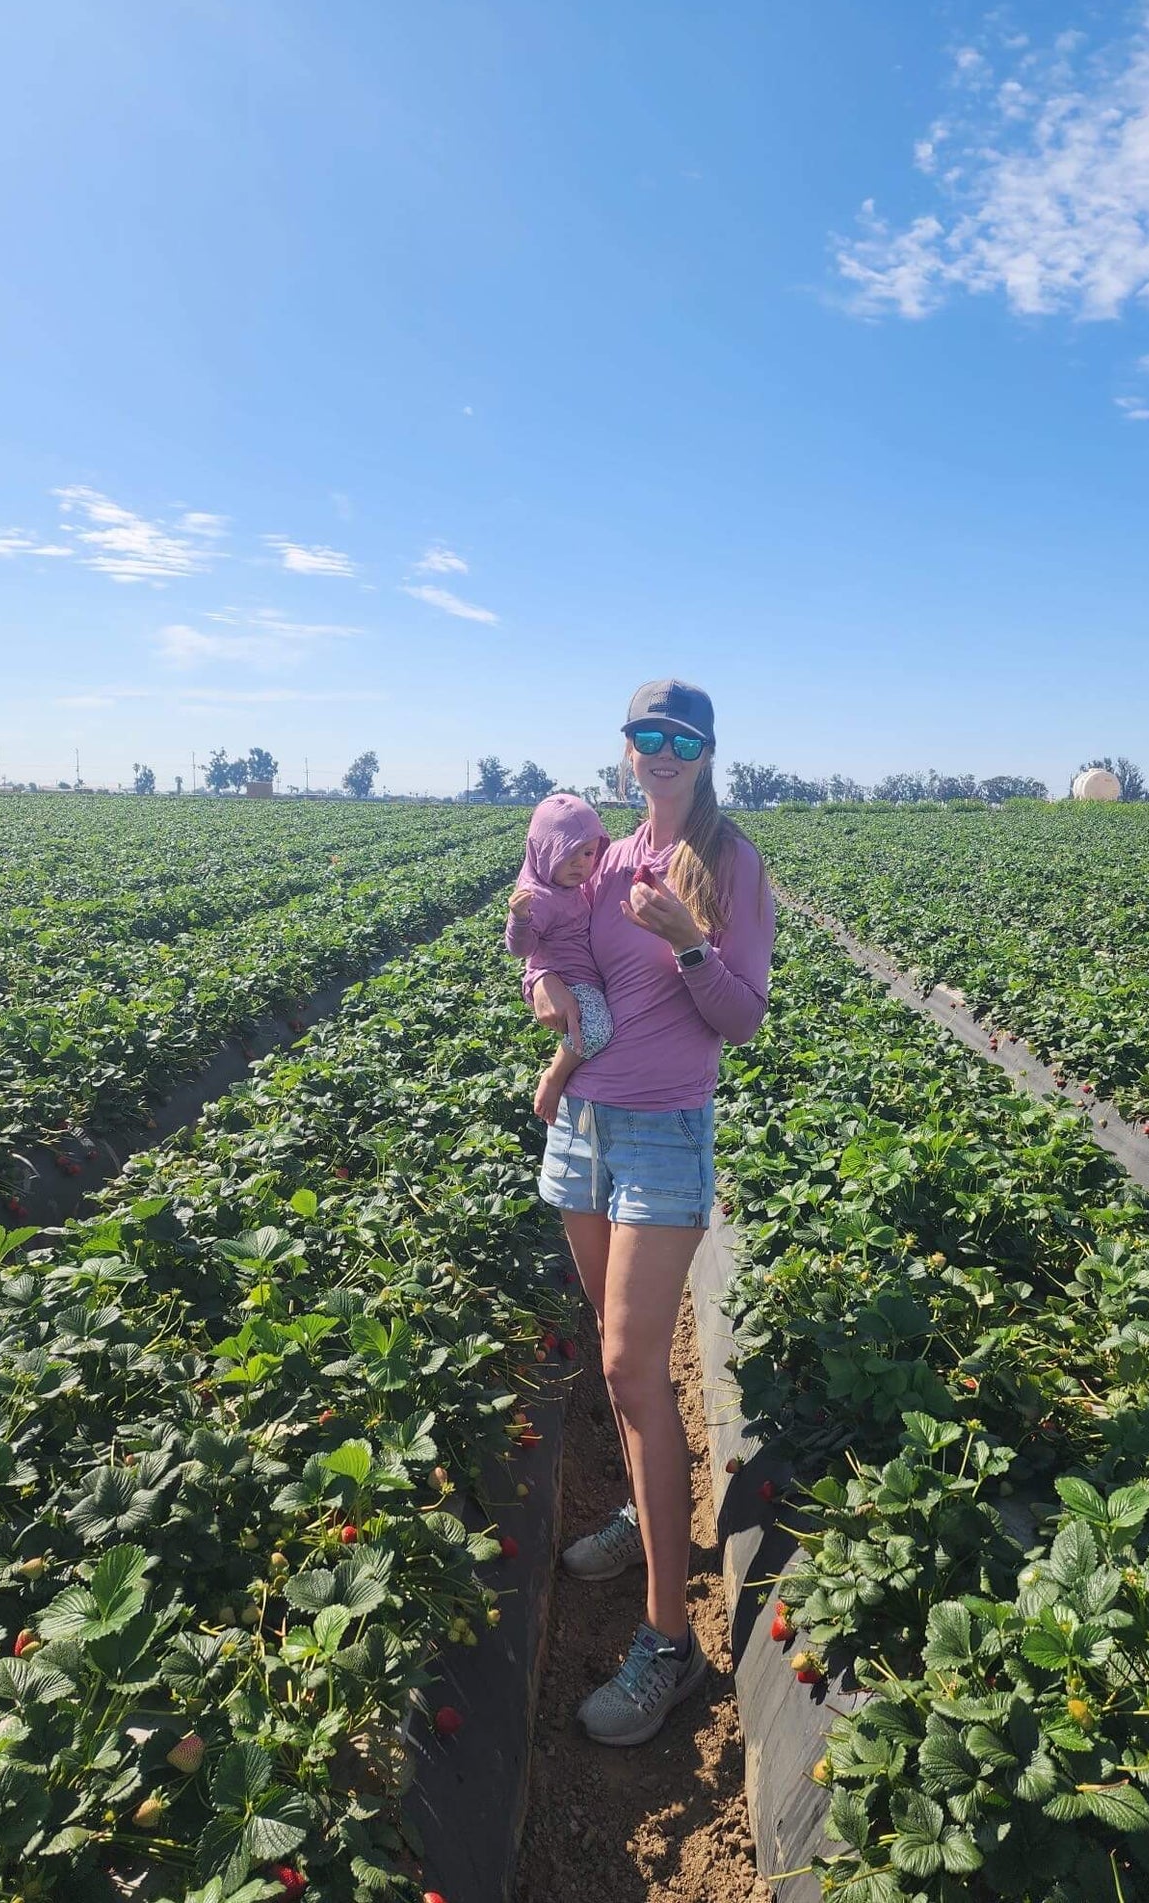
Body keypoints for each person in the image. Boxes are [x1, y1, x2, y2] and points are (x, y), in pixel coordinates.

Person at [524, 678, 776, 1747]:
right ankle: (646, 1505)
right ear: (625, 751)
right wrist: (540, 988)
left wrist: (685, 938)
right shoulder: (605, 856)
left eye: (679, 736)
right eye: (644, 735)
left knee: (632, 1369)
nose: (659, 750)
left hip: (666, 1137)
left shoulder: (726, 862)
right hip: (583, 1130)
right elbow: (555, 956)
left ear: (706, 750)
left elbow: (743, 1017)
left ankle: (669, 1643)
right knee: (622, 1362)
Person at [505, 794, 613, 1125]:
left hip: (582, 978)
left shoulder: (575, 887)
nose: (581, 863)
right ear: (545, 850)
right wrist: (519, 918)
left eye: (588, 853)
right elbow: (521, 949)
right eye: (569, 853)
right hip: (568, 982)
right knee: (596, 1031)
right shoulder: (538, 897)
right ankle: (555, 1076)